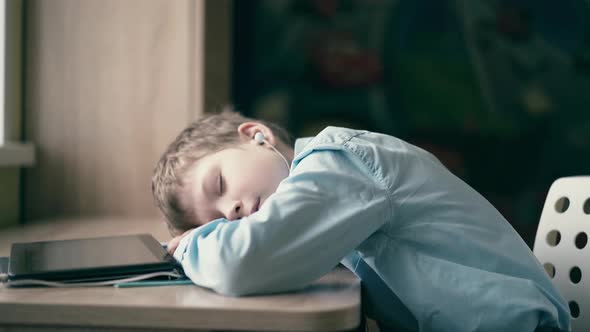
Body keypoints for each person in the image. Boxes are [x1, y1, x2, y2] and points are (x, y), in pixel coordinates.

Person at [151, 110, 571, 332]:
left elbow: (245, 260)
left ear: (256, 135)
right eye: (218, 219)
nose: (232, 213)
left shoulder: (339, 162)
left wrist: (194, 245)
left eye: (219, 184)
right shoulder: (320, 198)